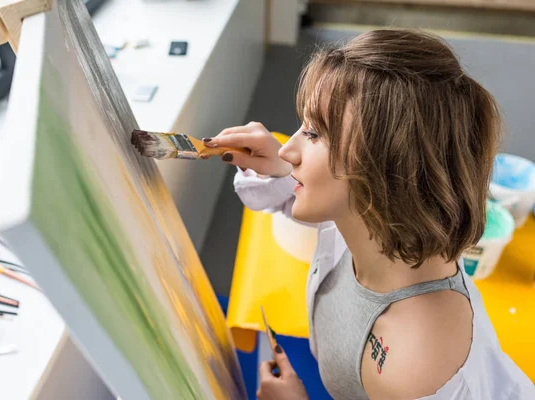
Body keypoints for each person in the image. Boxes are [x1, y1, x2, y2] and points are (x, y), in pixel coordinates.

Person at [203, 29, 535, 399]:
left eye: (313, 134)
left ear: (383, 171)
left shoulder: (416, 363)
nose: (287, 151)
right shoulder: (372, 222)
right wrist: (283, 173)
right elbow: (298, 199)